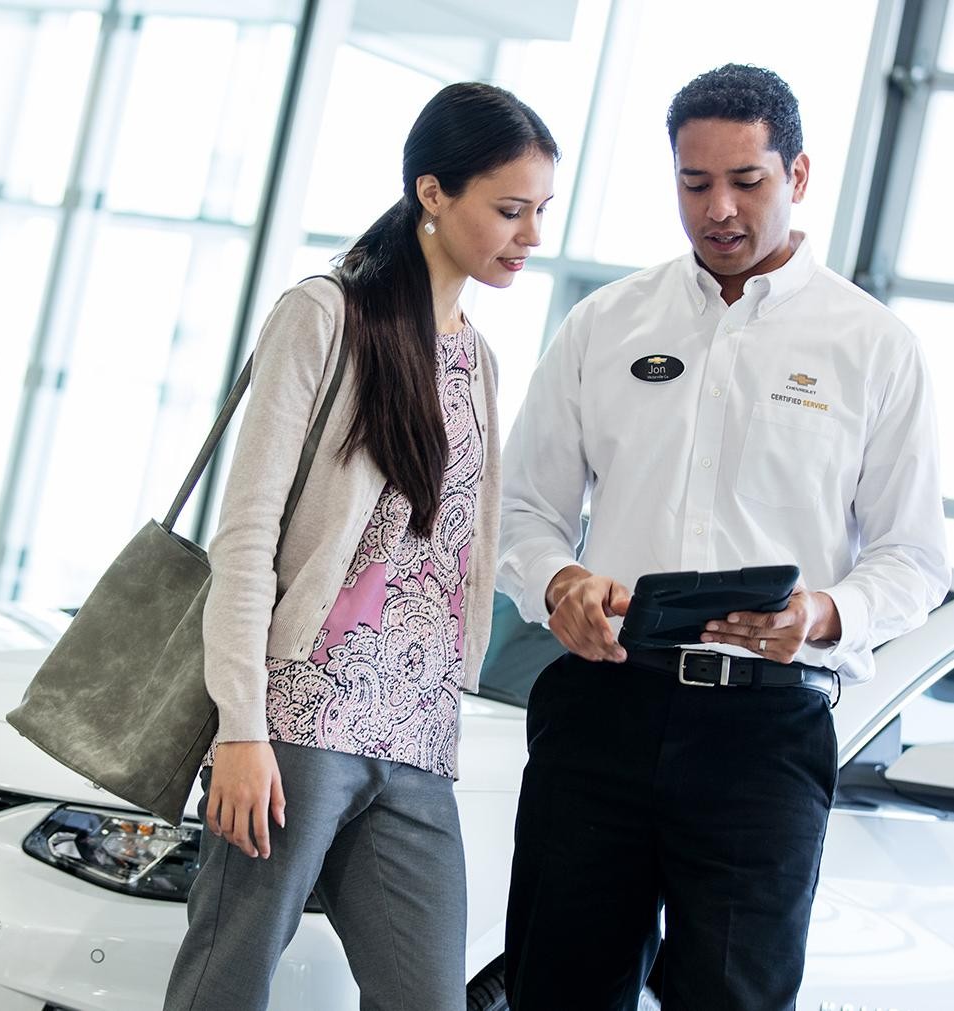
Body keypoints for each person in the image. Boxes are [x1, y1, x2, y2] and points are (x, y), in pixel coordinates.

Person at [496, 63, 949, 1011]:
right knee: (554, 991)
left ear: (798, 175)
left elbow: (913, 558)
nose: (719, 210)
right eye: (694, 182)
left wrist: (822, 613)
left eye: (747, 181)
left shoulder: (873, 347)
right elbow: (521, 510)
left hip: (764, 734)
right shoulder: (603, 323)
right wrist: (556, 581)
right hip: (601, 709)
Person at [162, 82, 557, 1010]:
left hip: (417, 735)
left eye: (542, 210)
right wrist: (241, 726)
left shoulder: (479, 359)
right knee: (226, 980)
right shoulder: (325, 314)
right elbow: (247, 532)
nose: (531, 235)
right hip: (300, 719)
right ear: (432, 192)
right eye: (510, 209)